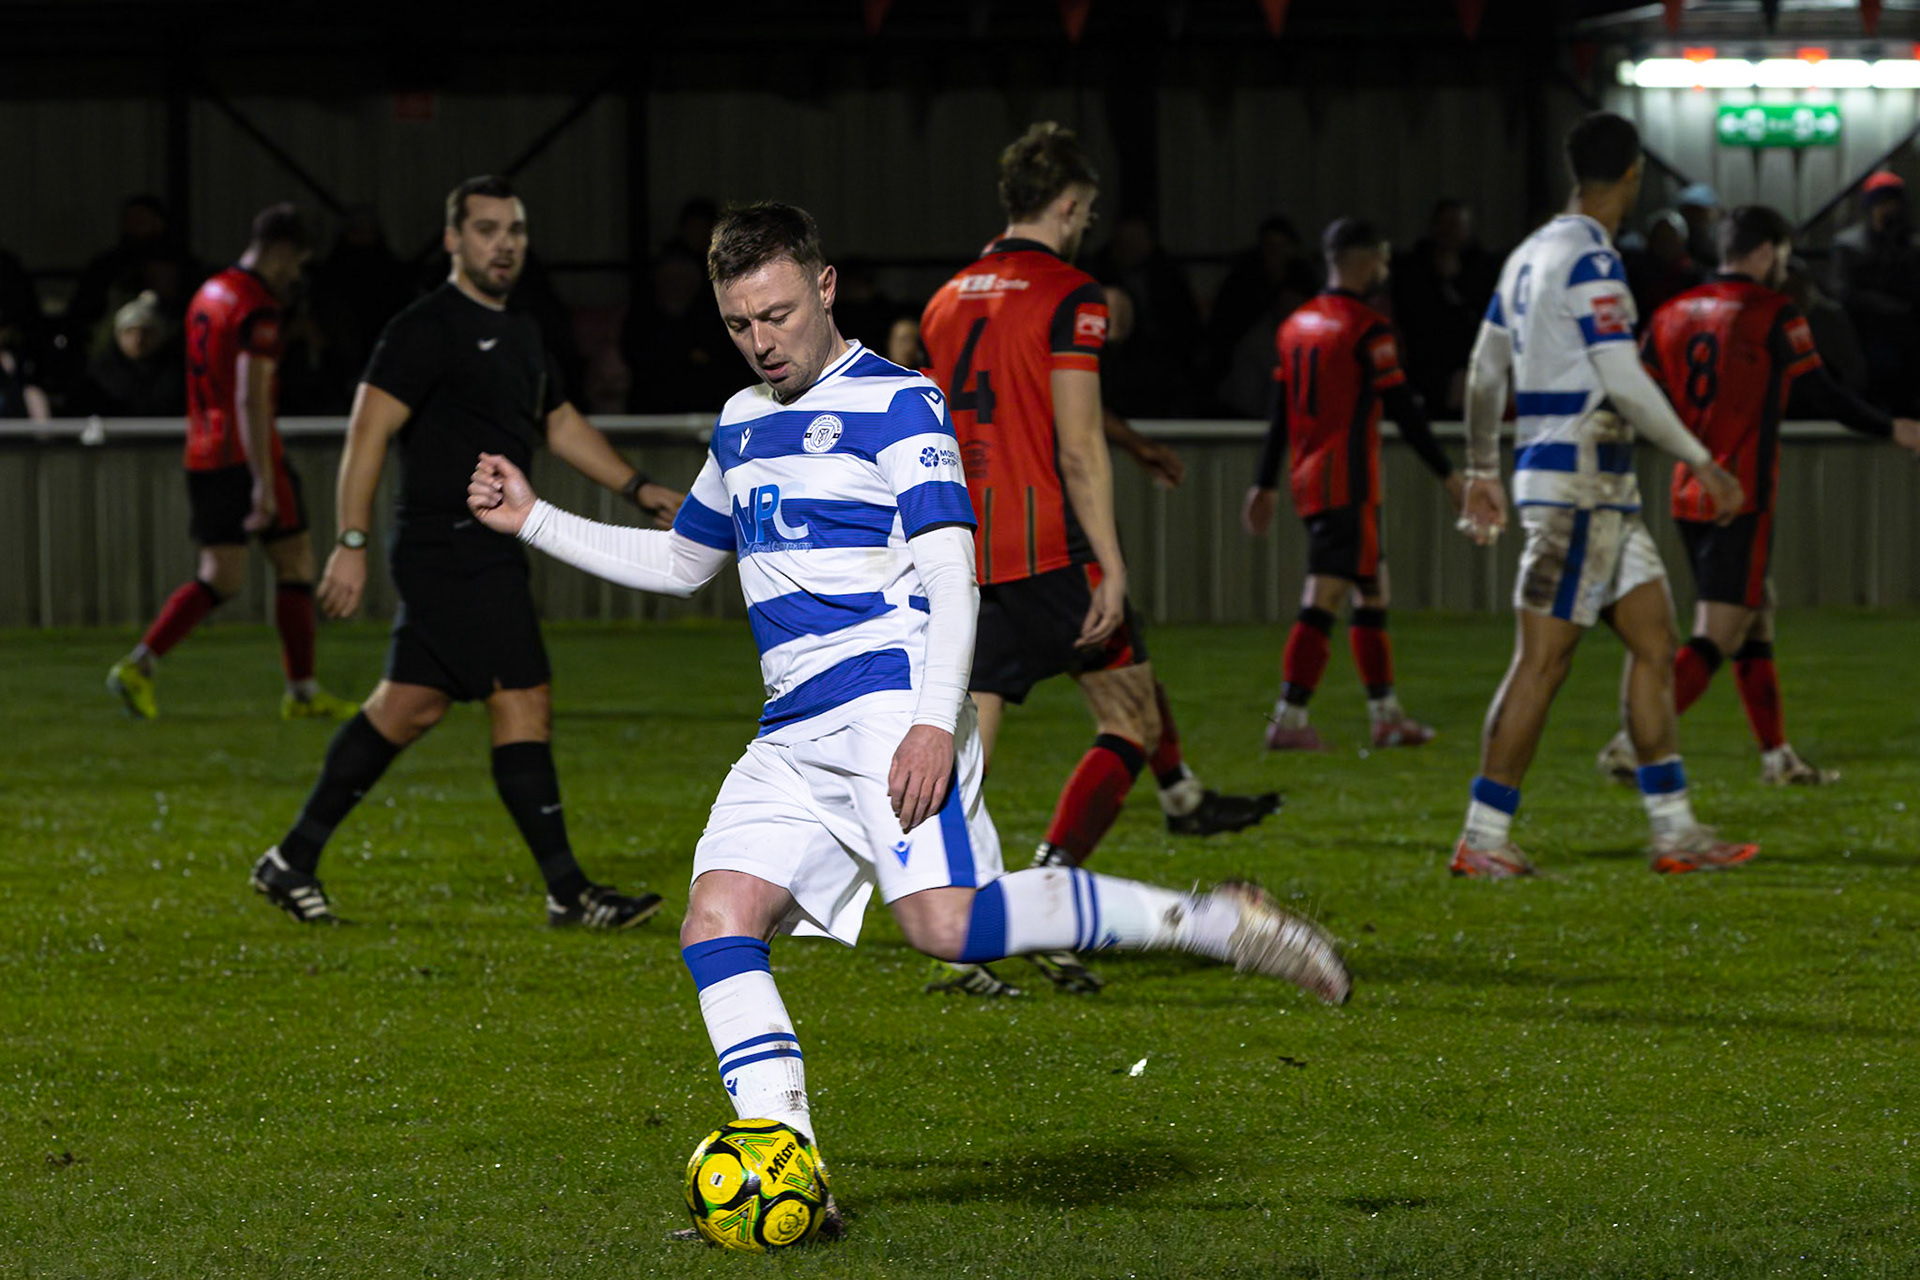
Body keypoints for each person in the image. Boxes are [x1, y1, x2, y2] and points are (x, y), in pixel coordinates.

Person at [463, 203, 1350, 1239]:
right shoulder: (741, 421)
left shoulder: (899, 402)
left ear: (825, 286)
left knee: (945, 926)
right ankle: (792, 1172)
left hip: (890, 705)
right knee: (715, 921)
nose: (762, 341)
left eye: (778, 315)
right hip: (791, 730)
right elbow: (680, 562)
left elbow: (951, 572)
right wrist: (532, 518)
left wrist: (934, 723)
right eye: (741, 322)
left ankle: (1215, 922)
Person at [247, 176, 677, 930]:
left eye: (514, 230)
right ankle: (569, 891)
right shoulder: (424, 328)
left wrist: (638, 488)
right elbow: (366, 433)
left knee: (406, 708)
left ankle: (292, 859)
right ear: (453, 240)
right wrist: (350, 541)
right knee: (523, 697)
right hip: (447, 546)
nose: (503, 244)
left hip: (487, 545)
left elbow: (559, 422)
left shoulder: (522, 330)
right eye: (486, 230)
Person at [921, 122, 1279, 996]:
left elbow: (995, 408)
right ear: (1070, 205)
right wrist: (1112, 563)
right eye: (1085, 212)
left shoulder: (945, 299)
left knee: (967, 754)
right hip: (1051, 546)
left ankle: (963, 940)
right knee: (1132, 720)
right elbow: (1075, 443)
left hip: (966, 549)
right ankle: (1051, 888)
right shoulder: (1070, 293)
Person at [1451, 112, 1759, 879]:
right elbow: (1620, 375)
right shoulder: (1592, 259)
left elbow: (1485, 370)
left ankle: (1675, 833)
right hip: (1579, 487)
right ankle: (1483, 838)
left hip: (1594, 486)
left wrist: (1484, 468)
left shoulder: (1527, 256)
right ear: (1631, 176)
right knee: (1542, 663)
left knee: (1655, 646)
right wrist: (1702, 461)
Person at [1598, 205, 1920, 786]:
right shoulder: (1773, 312)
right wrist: (1890, 426)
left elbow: (1634, 396)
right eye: (1784, 255)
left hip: (1689, 492)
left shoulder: (1671, 312)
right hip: (1739, 494)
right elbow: (1821, 391)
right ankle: (1630, 742)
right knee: (1719, 632)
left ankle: (1778, 758)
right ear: (1767, 251)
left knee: (1756, 617)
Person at [106, 206, 354, 721]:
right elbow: (250, 396)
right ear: (280, 250)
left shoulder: (210, 291)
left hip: (203, 450)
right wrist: (263, 481)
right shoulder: (257, 306)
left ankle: (139, 664)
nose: (295, 275)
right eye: (295, 262)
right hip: (247, 452)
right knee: (296, 562)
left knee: (221, 577)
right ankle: (302, 693)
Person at [1243, 216, 1463, 751]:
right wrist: (1449, 474)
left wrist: (1264, 483)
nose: (1385, 268)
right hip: (1349, 483)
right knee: (1326, 594)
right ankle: (1288, 719)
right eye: (1382, 258)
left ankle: (1385, 716)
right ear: (1365, 260)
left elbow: (1280, 412)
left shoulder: (1295, 325)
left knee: (1372, 590)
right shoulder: (1367, 327)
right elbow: (1403, 408)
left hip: (1310, 480)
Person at [1825, 169, 1920, 413]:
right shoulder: (1849, 245)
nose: (1888, 209)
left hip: (1907, 330)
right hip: (1863, 330)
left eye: (1892, 202)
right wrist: (1877, 304)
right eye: (1882, 203)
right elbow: (1839, 288)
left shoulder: (1911, 245)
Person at [86, 290, 185, 416]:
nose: (138, 340)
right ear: (118, 336)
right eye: (130, 332)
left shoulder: (176, 373)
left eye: (146, 333)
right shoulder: (99, 375)